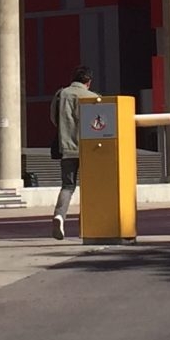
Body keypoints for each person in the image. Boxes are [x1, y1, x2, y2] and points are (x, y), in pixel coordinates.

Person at [50, 65, 93, 240]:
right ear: (88, 82)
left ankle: (60, 215)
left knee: (67, 186)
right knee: (91, 187)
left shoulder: (60, 95)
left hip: (66, 147)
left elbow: (54, 118)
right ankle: (89, 221)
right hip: (90, 149)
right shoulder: (92, 97)